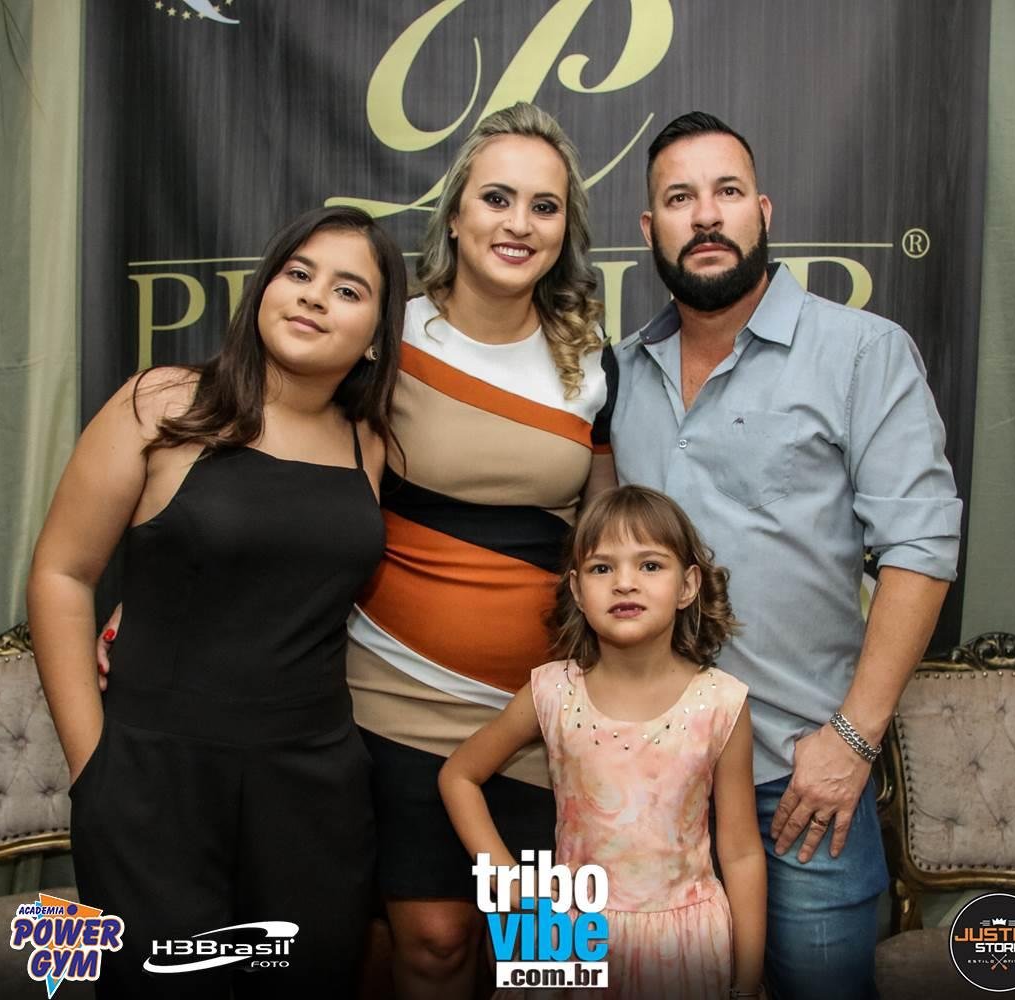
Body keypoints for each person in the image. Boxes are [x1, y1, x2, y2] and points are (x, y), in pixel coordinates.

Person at [610, 112, 963, 998]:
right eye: (679, 199)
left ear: (762, 212)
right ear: (648, 230)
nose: (705, 215)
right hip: (648, 784)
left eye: (726, 191)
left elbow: (922, 548)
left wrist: (852, 741)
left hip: (800, 783)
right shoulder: (622, 373)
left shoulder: (861, 352)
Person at [28, 206, 406, 998]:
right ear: (264, 286)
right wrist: (93, 770)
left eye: (348, 290)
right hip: (154, 784)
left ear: (376, 336)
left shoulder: (367, 444)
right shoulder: (164, 402)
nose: (313, 297)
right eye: (298, 273)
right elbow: (62, 573)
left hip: (314, 792)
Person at [345, 102, 615, 998]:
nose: (518, 223)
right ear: (456, 213)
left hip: (540, 714)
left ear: (565, 230)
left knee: (544, 952)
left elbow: (603, 535)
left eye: (544, 206)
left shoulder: (592, 362)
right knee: (433, 943)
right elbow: (298, 492)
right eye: (497, 198)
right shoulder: (385, 336)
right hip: (393, 699)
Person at [439, 485, 765, 999]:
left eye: (650, 565)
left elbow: (742, 852)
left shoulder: (722, 703)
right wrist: (508, 879)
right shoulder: (552, 691)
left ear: (688, 586)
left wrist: (747, 982)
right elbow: (459, 775)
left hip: (684, 948)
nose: (624, 582)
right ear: (576, 589)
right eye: (601, 568)